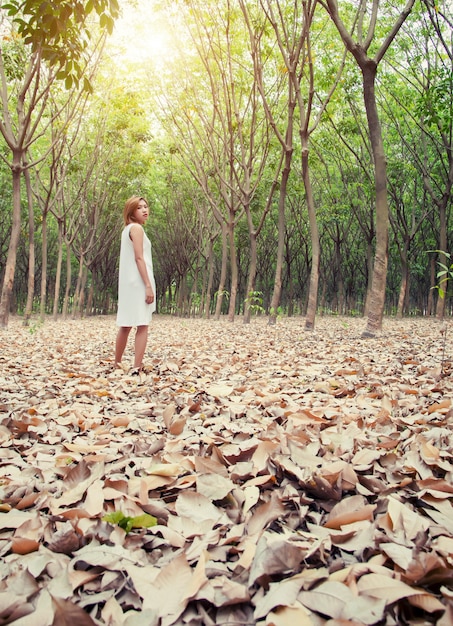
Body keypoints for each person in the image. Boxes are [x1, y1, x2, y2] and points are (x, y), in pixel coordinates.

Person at [115, 195, 156, 372]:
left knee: (125, 325)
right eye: (139, 207)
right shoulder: (137, 229)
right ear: (131, 211)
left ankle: (117, 364)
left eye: (146, 206)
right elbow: (139, 258)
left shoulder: (127, 230)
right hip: (139, 282)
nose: (144, 210)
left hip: (128, 283)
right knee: (142, 324)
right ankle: (136, 366)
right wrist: (148, 285)